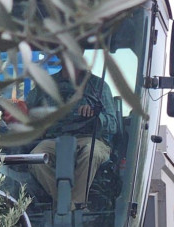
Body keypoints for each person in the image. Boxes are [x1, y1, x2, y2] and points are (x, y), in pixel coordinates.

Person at [25, 66, 120, 208]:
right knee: (35, 157)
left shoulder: (98, 86)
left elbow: (113, 124)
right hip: (55, 139)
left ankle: (76, 204)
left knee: (90, 153)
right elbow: (26, 110)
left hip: (91, 138)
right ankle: (69, 205)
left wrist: (95, 115)